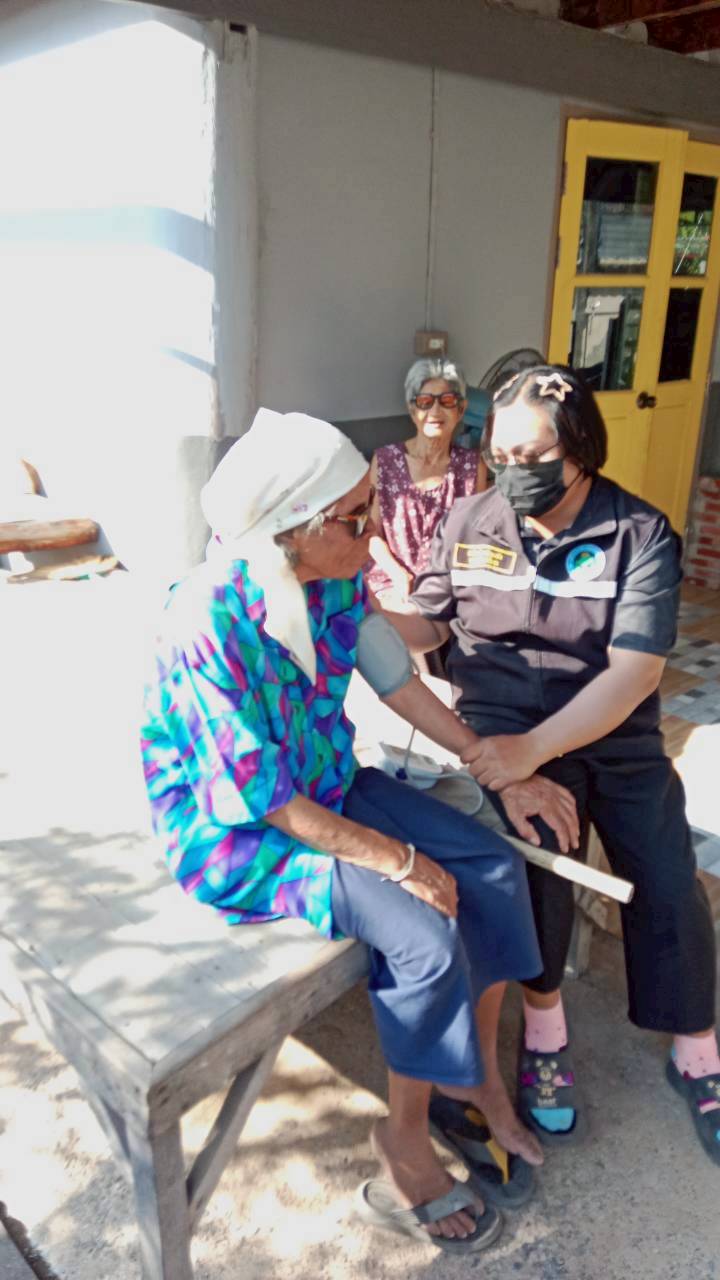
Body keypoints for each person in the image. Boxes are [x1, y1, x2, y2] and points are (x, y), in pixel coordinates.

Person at [140, 408, 585, 1251]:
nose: (375, 531)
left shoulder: (333, 579)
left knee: (492, 868)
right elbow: (266, 802)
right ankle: (403, 1144)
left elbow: (395, 680)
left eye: (371, 506)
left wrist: (496, 766)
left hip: (325, 783)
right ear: (290, 533)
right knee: (422, 931)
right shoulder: (205, 621)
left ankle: (474, 1080)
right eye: (355, 518)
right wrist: (401, 861)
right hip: (238, 833)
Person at [384, 364, 720, 1166]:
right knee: (538, 862)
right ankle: (545, 1030)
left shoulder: (638, 533)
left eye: (532, 456)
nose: (513, 473)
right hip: (503, 720)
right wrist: (366, 612)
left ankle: (697, 1047)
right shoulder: (470, 520)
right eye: (500, 455)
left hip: (609, 731)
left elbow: (634, 673)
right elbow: (430, 627)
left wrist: (532, 752)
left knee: (665, 873)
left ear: (579, 449)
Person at [366, 358, 488, 613]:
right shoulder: (385, 461)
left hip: (446, 589)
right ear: (413, 410)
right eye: (424, 401)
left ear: (461, 409)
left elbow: (475, 540)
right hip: (390, 584)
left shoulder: (472, 466)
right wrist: (398, 574)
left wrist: (443, 587)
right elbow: (370, 534)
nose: (435, 411)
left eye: (447, 401)